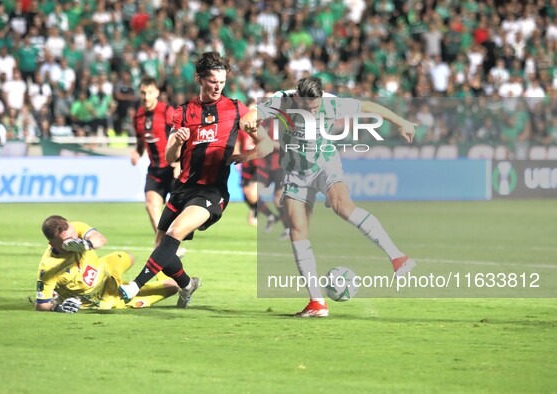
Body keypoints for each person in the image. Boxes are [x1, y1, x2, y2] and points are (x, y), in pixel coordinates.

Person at [119, 51, 273, 308]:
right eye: (213, 81)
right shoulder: (184, 112)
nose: (217, 87)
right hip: (182, 189)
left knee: (175, 232)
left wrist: (246, 154)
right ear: (200, 79)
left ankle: (134, 285)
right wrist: (176, 142)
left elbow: (267, 144)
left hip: (212, 193)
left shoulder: (235, 108)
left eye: (222, 82)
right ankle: (187, 284)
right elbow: (170, 158)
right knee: (162, 250)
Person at [257, 77, 417, 317]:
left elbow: (369, 107)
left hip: (325, 164)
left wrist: (401, 121)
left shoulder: (333, 104)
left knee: (343, 206)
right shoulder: (281, 101)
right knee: (297, 230)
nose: (313, 110)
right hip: (295, 172)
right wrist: (260, 135)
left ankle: (398, 257)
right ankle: (317, 303)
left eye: (316, 106)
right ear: (298, 98)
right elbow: (250, 115)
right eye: (308, 106)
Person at [35, 215, 179, 312]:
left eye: (74, 236)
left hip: (105, 269)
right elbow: (41, 305)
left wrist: (86, 243)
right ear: (52, 243)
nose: (73, 241)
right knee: (173, 287)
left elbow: (100, 239)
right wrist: (58, 307)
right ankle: (131, 290)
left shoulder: (74, 228)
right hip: (104, 296)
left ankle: (158, 266)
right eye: (67, 242)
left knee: (129, 257)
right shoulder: (48, 268)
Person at [131, 75, 177, 233]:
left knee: (179, 210)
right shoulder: (138, 116)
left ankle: (169, 243)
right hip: (155, 169)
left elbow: (183, 136)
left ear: (157, 92)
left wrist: (180, 162)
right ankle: (165, 246)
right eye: (143, 93)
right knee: (151, 205)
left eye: (149, 92)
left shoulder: (167, 112)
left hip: (173, 169)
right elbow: (140, 142)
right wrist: (137, 152)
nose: (146, 96)